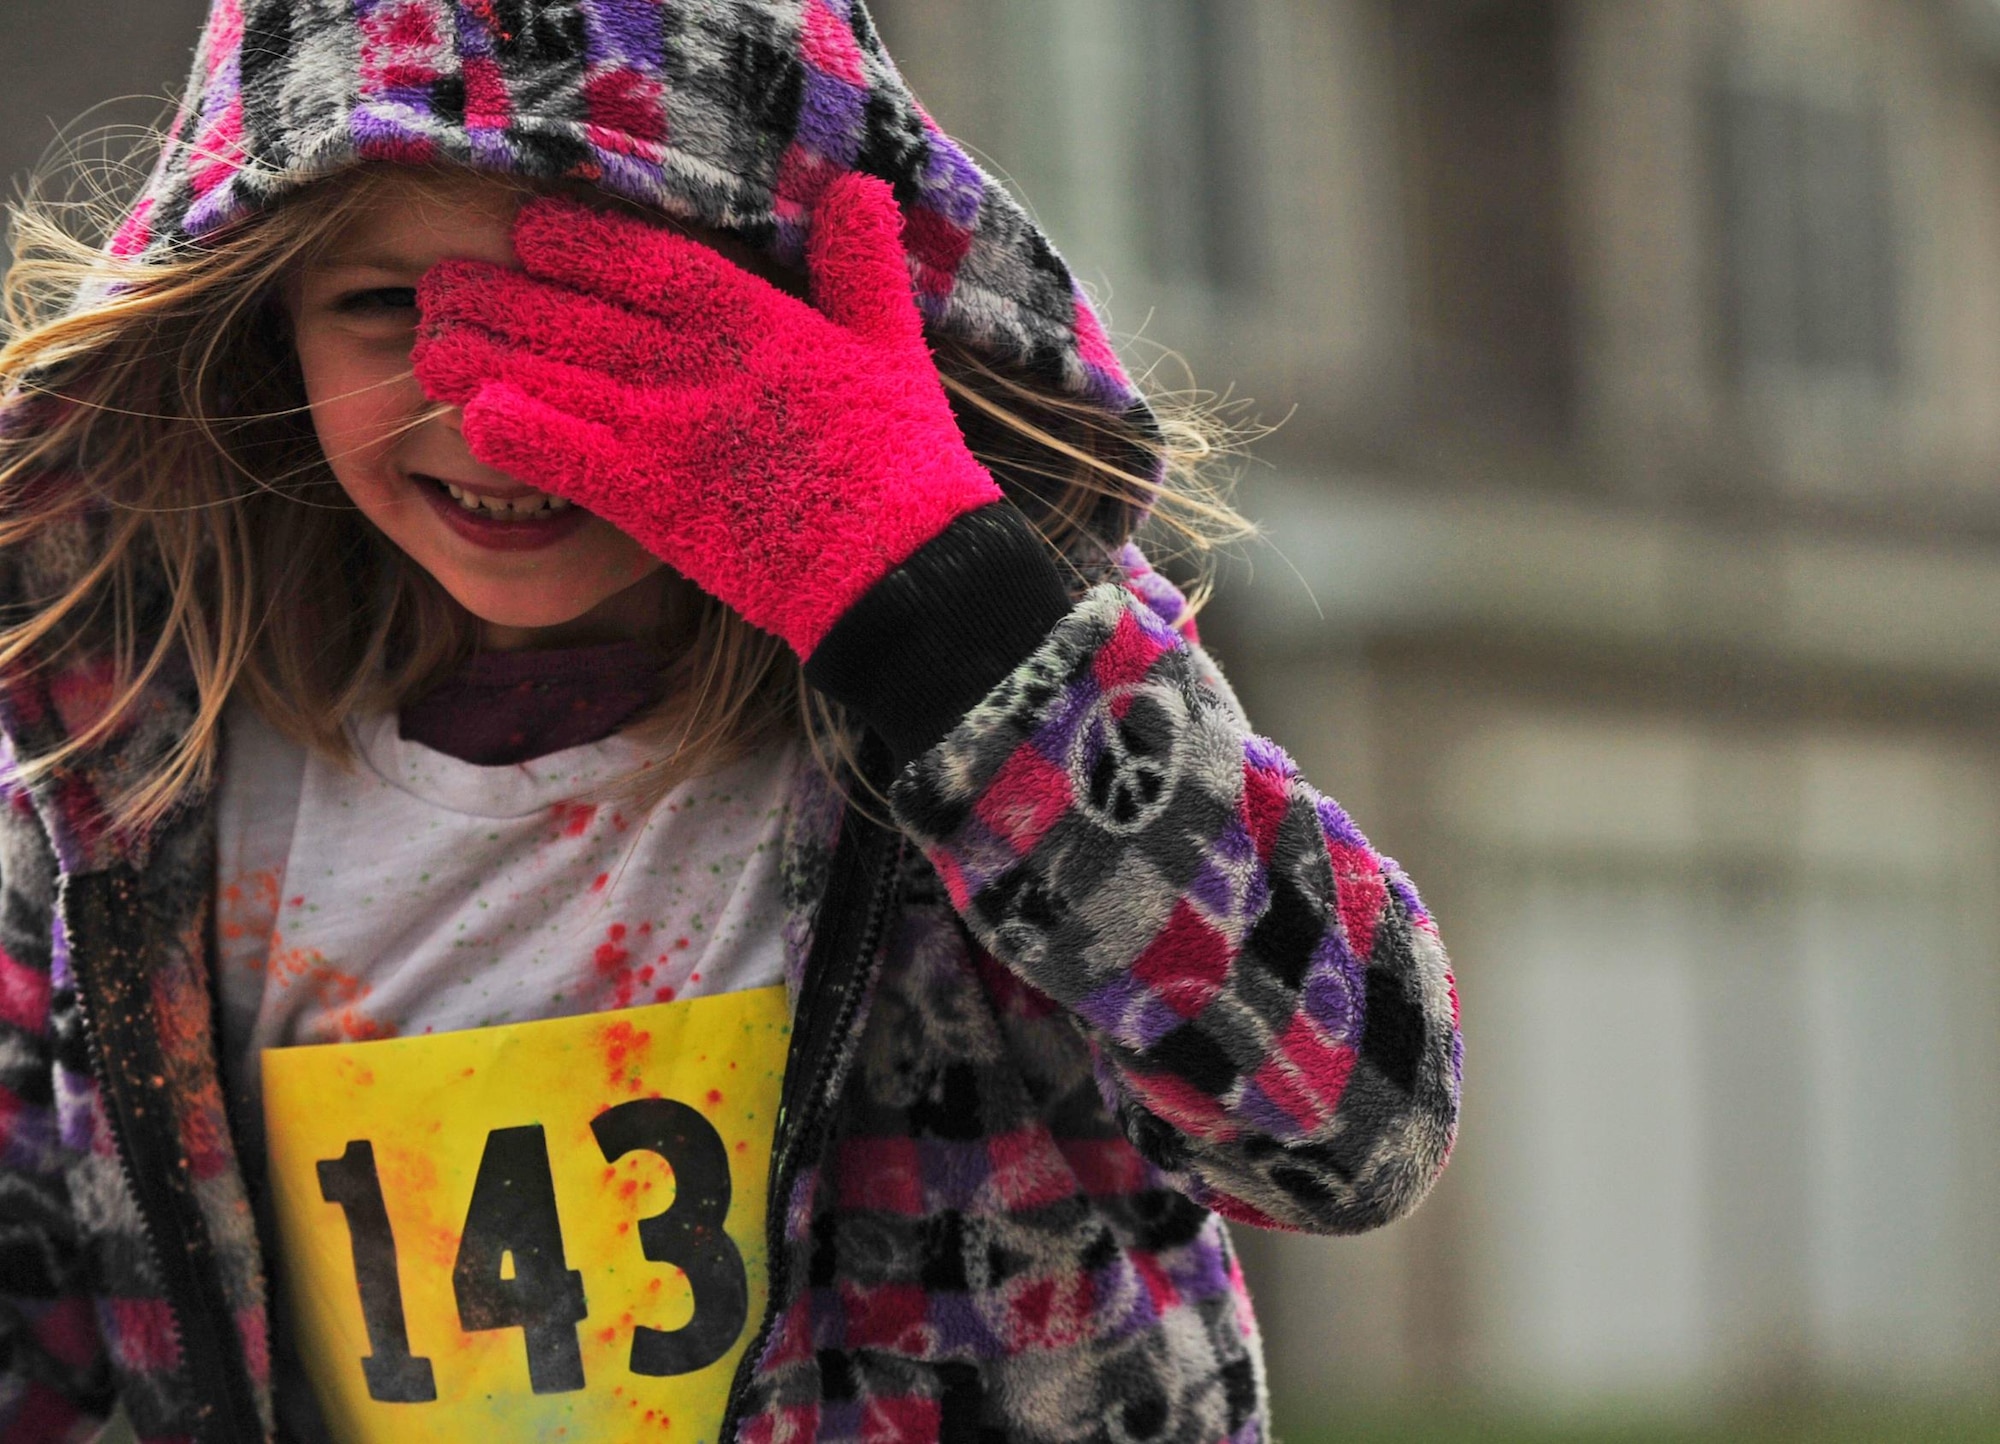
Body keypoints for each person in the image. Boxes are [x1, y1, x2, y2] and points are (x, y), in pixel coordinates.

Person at [0, 2, 1462, 1441]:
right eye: (387, 307)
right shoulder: (128, 770)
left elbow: (1354, 1124)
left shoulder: (988, 688)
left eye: (608, 305)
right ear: (263, 330)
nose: (493, 406)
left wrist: (934, 598)